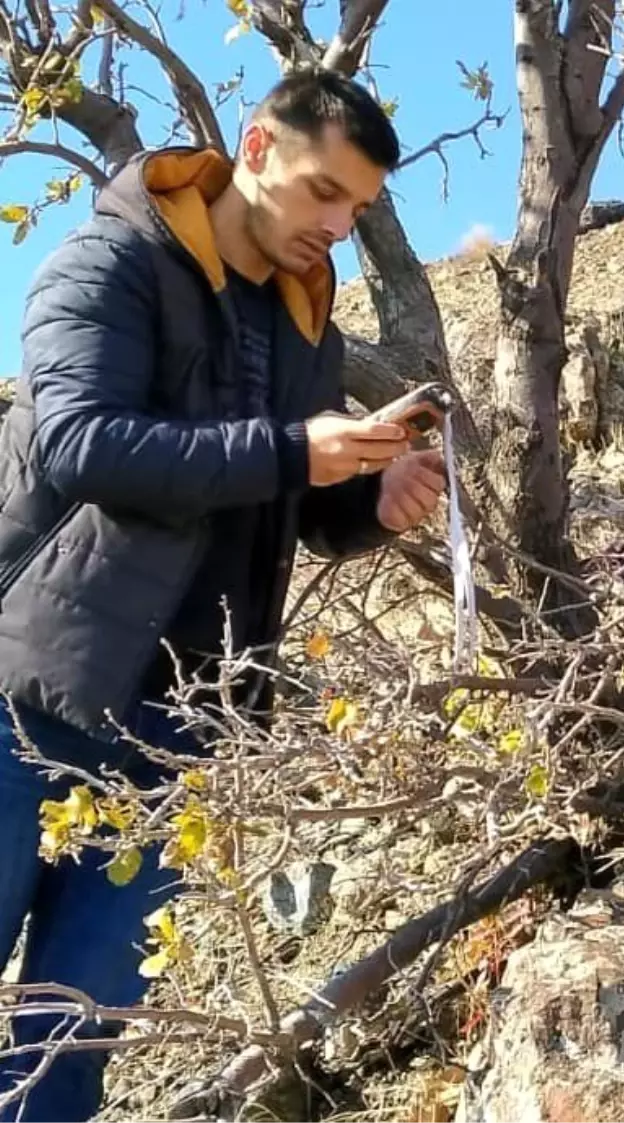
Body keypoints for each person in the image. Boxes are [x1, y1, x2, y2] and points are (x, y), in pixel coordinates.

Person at [0, 70, 447, 1119]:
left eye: (358, 209)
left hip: (179, 732)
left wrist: (368, 499)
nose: (337, 226)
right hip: (28, 698)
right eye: (322, 191)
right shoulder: (109, 261)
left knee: (77, 1036)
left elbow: (274, 499)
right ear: (255, 148)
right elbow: (80, 444)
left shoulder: (303, 325)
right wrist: (296, 446)